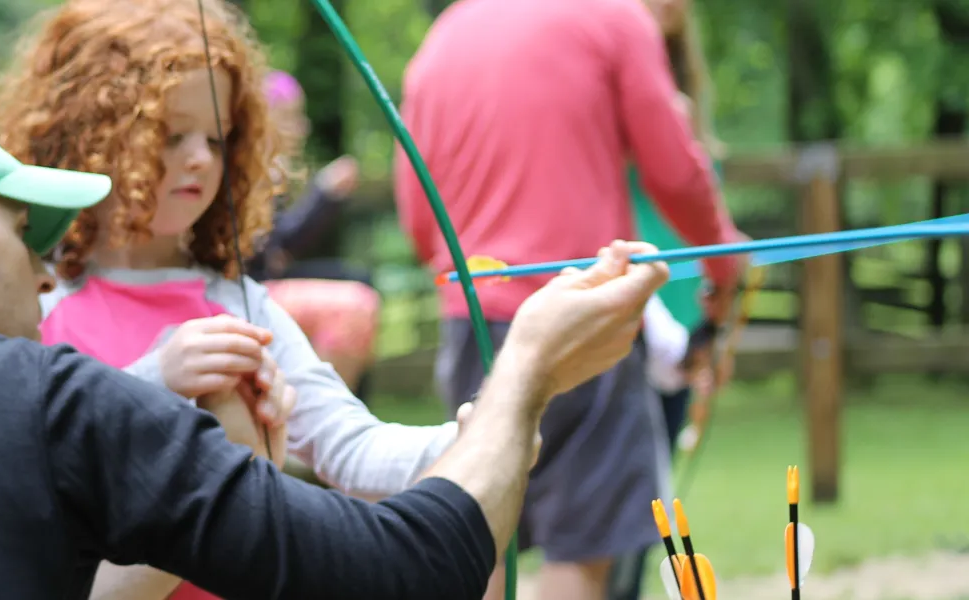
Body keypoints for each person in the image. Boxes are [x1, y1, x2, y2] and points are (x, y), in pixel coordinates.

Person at [0, 101, 672, 599]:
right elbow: (413, 569)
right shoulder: (39, 400)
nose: (45, 272)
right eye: (20, 233)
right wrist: (528, 370)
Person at [0, 2, 479, 597]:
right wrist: (156, 381)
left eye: (217, 139)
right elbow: (28, 475)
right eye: (170, 133)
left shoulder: (240, 305)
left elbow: (351, 450)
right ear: (89, 133)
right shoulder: (36, 299)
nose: (199, 158)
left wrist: (470, 437)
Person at [393, 0, 747, 598]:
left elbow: (419, 217)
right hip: (585, 319)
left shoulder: (443, 38)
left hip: (473, 322)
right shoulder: (616, 17)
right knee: (585, 552)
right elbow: (675, 170)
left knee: (480, 539)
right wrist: (724, 259)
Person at [609, 0, 729, 596]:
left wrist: (722, 295)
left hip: (683, 296)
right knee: (628, 480)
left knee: (657, 478)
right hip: (631, 293)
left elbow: (702, 194)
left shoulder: (681, 80)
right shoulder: (607, 53)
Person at [248, 69, 381, 397]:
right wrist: (322, 194)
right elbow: (281, 247)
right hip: (252, 285)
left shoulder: (270, 171)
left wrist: (327, 197)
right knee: (357, 298)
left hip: (267, 277)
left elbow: (282, 247)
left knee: (359, 277)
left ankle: (351, 406)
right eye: (291, 118)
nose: (302, 127)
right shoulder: (252, 172)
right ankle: (328, 408)